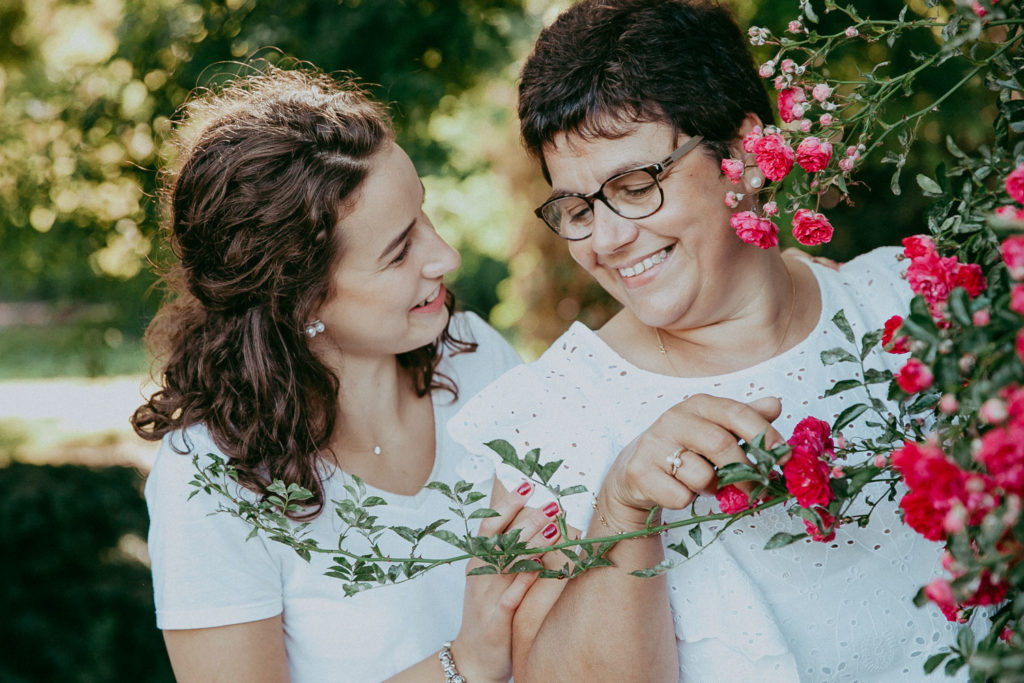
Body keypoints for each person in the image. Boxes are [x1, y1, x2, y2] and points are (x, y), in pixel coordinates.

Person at [447, 1, 968, 680]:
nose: (604, 241)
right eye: (575, 209)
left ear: (746, 154)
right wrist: (620, 505)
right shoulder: (554, 418)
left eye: (634, 186)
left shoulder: (912, 301)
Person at [132, 65, 562, 683]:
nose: (446, 256)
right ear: (298, 299)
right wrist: (464, 664)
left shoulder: (469, 352)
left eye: (425, 216)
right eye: (398, 251)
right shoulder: (209, 484)